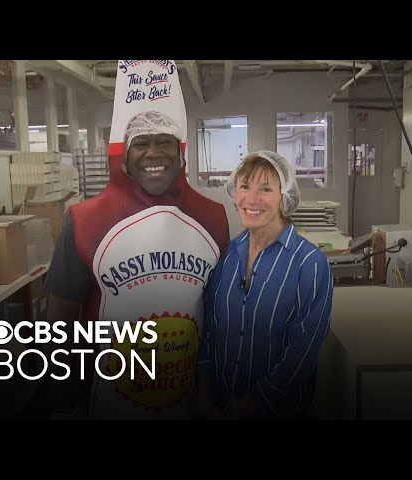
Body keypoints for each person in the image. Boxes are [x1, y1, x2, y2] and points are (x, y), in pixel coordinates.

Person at [44, 60, 229, 419]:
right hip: (108, 401)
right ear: (125, 159)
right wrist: (63, 401)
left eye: (165, 143)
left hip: (187, 400)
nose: (153, 153)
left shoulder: (213, 218)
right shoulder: (84, 221)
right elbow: (60, 322)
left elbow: (220, 315)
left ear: (181, 154)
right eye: (141, 144)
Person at [197, 150, 333, 419]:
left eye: (266, 189)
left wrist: (247, 406)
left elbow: (301, 356)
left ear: (285, 197)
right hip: (220, 407)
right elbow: (209, 332)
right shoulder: (225, 257)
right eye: (244, 186)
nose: (252, 199)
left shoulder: (310, 264)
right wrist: (203, 395)